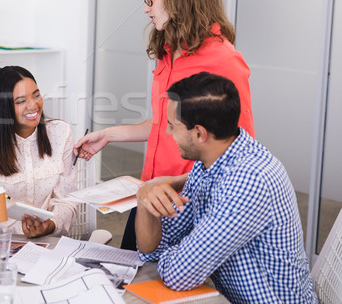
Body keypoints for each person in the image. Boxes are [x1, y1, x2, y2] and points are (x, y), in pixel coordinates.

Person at [73, 0, 255, 249]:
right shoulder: (170, 51)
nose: (146, 9)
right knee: (130, 276)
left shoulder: (223, 59)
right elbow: (163, 124)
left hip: (185, 201)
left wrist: (177, 182)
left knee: (162, 284)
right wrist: (108, 135)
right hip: (150, 194)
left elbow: (238, 152)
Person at [136, 72, 317, 303]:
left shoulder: (248, 181)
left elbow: (178, 275)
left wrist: (181, 253)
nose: (168, 133)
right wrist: (145, 197)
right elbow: (155, 249)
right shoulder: (209, 163)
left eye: (173, 126)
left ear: (200, 133)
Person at [0, 66, 77, 238]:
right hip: (4, 245)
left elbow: (68, 200)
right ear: (3, 108)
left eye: (36, 95)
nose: (33, 105)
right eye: (20, 101)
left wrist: (50, 225)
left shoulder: (61, 133)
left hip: (50, 243)